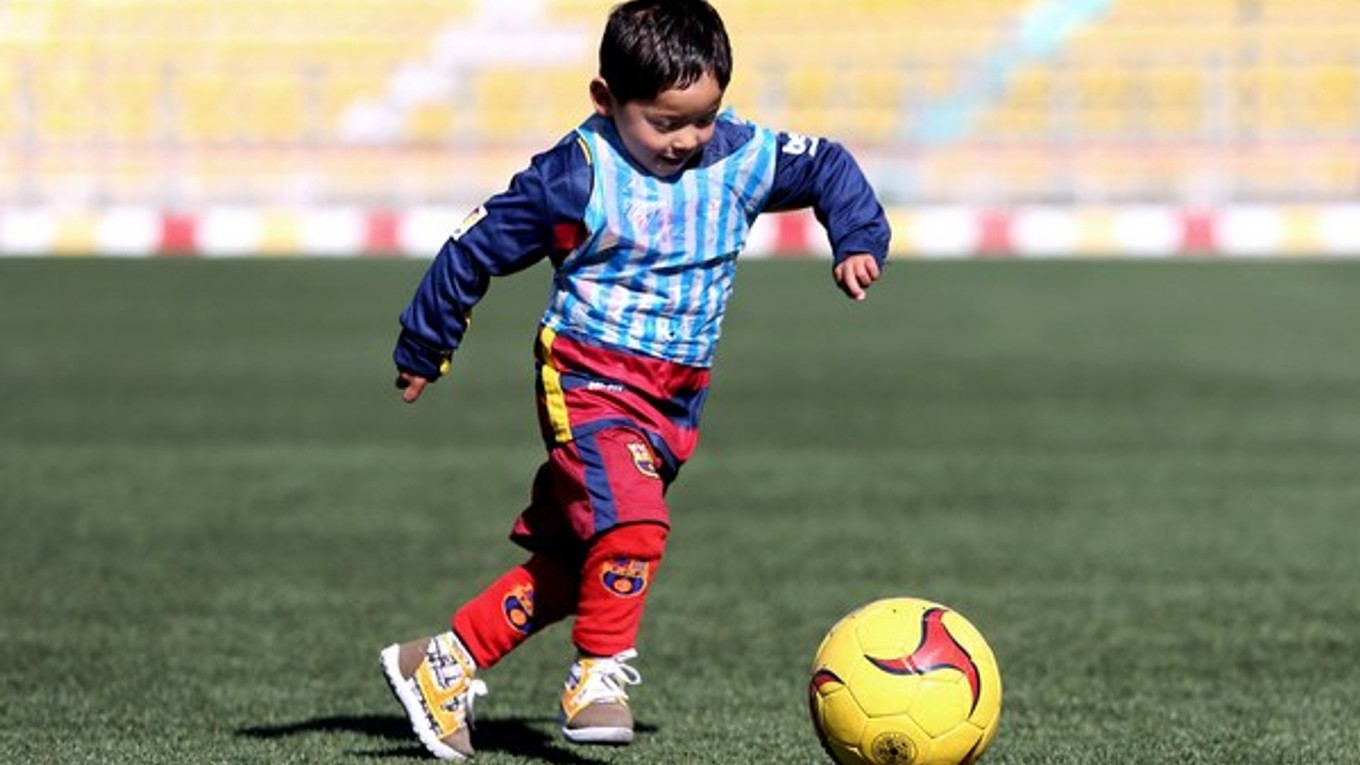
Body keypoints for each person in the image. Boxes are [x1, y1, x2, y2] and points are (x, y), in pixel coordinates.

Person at [379, 0, 890, 759]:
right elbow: (475, 246)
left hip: (676, 398)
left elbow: (827, 164)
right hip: (590, 376)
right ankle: (597, 676)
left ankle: (441, 663)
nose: (686, 139)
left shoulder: (742, 156)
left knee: (587, 560)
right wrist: (426, 341)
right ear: (605, 101)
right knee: (636, 525)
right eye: (663, 121)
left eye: (703, 117)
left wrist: (856, 235)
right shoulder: (575, 175)